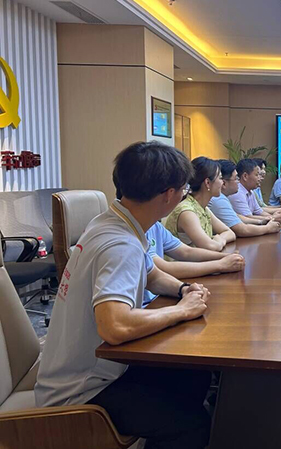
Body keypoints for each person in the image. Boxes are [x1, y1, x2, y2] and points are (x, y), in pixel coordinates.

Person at [35, 141, 212, 449]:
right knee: (192, 422)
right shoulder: (120, 245)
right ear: (168, 194)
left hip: (81, 372)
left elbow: (152, 274)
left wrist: (183, 289)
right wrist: (182, 311)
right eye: (183, 190)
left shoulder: (113, 222)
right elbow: (114, 327)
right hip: (82, 393)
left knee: (194, 375)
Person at [142, 220, 245, 305]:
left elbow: (186, 252)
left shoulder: (155, 225)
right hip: (146, 306)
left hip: (160, 295)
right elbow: (163, 268)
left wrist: (225, 257)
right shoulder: (186, 210)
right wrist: (221, 265)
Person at [165, 157, 237, 251]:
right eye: (220, 178)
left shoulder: (202, 207)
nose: (222, 182)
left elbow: (230, 233)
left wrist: (219, 239)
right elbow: (211, 246)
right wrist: (218, 241)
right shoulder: (187, 211)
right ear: (207, 183)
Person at [208, 159, 281, 237]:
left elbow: (238, 216)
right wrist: (268, 228)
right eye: (236, 178)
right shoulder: (218, 199)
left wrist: (263, 221)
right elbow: (242, 230)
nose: (238, 182)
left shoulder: (222, 197)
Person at [229, 159, 281, 225]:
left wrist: (275, 217)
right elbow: (248, 218)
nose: (259, 178)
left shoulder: (251, 192)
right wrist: (273, 218)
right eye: (257, 175)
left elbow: (259, 211)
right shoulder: (237, 193)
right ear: (245, 176)